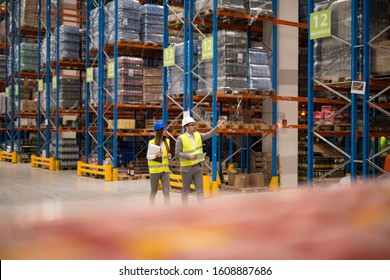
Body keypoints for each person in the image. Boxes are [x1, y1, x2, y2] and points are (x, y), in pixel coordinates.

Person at [175, 116, 227, 205]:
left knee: (200, 191)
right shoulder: (181, 138)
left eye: (195, 124)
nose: (195, 126)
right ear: (186, 127)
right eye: (192, 125)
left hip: (198, 167)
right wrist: (188, 156)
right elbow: (177, 153)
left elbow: (209, 134)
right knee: (186, 191)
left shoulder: (198, 135)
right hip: (186, 169)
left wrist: (218, 126)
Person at [146, 120, 172, 207]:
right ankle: (151, 208)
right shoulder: (152, 143)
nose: (165, 131)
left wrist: (169, 156)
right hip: (155, 171)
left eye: (165, 129)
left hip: (165, 170)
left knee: (166, 191)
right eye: (163, 130)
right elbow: (148, 156)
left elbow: (167, 156)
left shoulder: (167, 142)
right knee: (154, 191)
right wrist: (155, 155)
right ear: (158, 131)